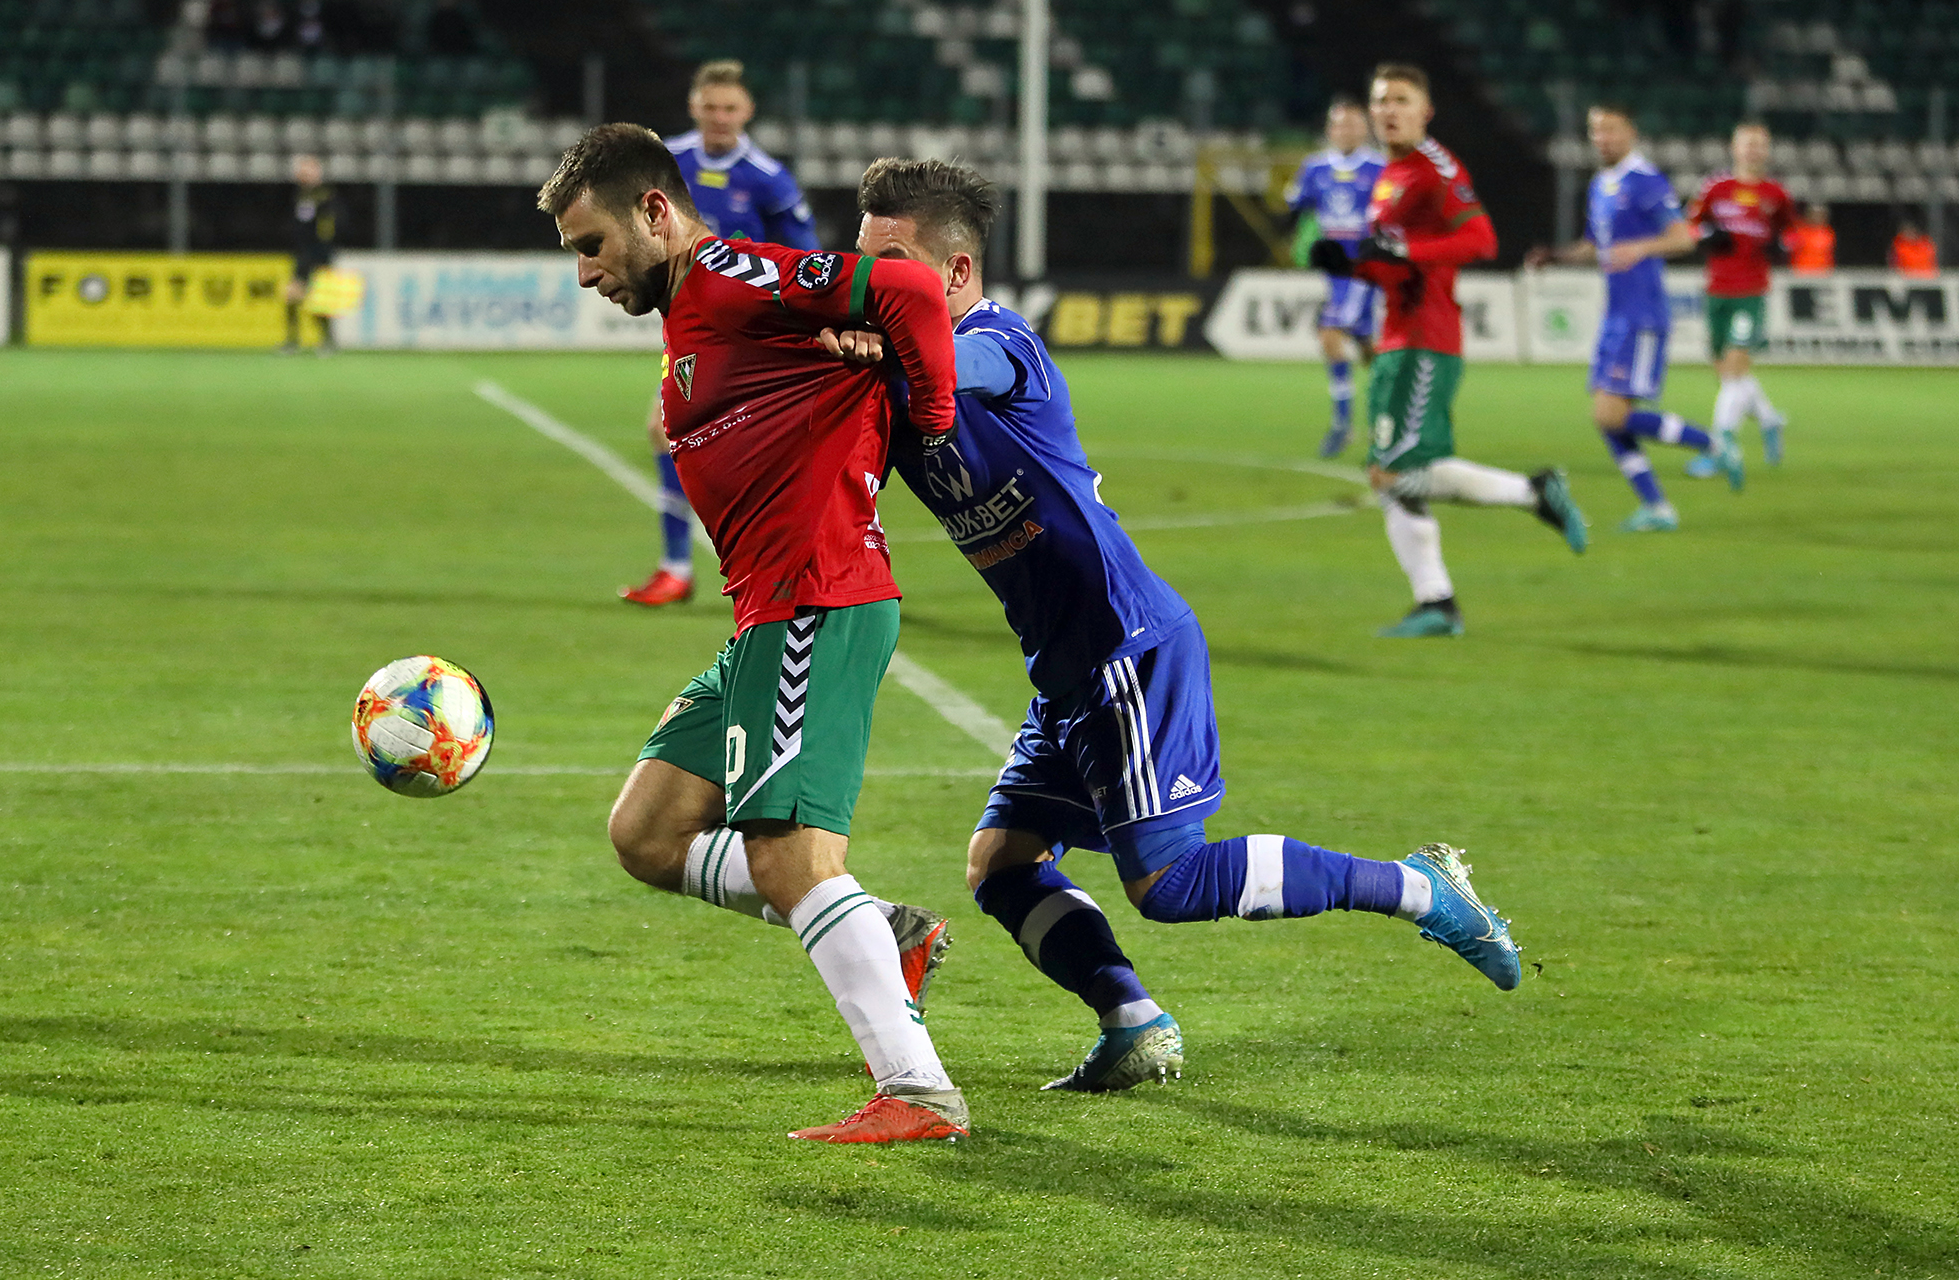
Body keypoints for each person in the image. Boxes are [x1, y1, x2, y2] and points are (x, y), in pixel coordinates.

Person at [808, 156, 1523, 1092]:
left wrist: (876, 349)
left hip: (1126, 644)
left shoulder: (1000, 343)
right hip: (1066, 663)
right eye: (863, 262)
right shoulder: (897, 373)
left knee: (1170, 884)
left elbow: (959, 367)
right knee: (1001, 862)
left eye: (893, 263)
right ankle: (1134, 1022)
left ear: (955, 271)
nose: (872, 282)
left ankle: (1420, 887)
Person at [541, 123, 970, 1144]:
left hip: (816, 598)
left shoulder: (730, 276)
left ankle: (917, 1092)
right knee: (647, 833)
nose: (586, 272)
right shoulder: (696, 313)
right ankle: (877, 929)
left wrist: (934, 415)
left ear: (655, 211)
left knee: (786, 856)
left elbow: (906, 291)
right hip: (763, 617)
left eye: (592, 244)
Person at [1310, 64, 1587, 638]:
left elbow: (1481, 239)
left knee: (1398, 474)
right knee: (1388, 474)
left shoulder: (1436, 168)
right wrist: (1352, 264)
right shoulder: (1390, 176)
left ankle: (1534, 492)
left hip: (1425, 340)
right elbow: (1392, 259)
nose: (1389, 110)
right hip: (1395, 337)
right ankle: (1436, 603)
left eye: (1401, 100)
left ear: (1425, 111)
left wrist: (1403, 250)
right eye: (1381, 100)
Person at [621, 60, 820, 608]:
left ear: (747, 111)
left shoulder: (768, 178)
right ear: (694, 107)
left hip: (747, 328)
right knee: (671, 432)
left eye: (729, 108)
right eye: (710, 107)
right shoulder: (668, 162)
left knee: (689, 436)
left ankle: (699, 567)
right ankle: (689, 568)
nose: (719, 117)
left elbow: (807, 258)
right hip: (690, 323)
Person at [1525, 103, 1732, 532]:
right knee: (1607, 419)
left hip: (1642, 313)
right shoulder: (1601, 184)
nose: (1603, 138)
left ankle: (1713, 444)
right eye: (1596, 130)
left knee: (1610, 415)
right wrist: (1557, 256)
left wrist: (1640, 248)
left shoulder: (1645, 180)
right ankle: (1657, 508)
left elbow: (1682, 238)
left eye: (1612, 129)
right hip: (1615, 315)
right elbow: (1594, 246)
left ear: (1631, 132)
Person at [1686, 122, 1794, 472]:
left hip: (1751, 290)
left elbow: (1792, 232)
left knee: (1734, 367)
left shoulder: (1776, 194)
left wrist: (1782, 246)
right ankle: (1769, 420)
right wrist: (1706, 234)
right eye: (1747, 144)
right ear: (1734, 148)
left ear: (1767, 150)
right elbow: (1689, 224)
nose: (1753, 150)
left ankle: (1720, 449)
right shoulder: (1715, 188)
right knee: (1726, 374)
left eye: (1759, 144)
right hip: (1717, 289)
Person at [1283, 97, 1385, 457]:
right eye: (1340, 125)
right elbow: (1296, 206)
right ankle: (1389, 411)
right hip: (1335, 273)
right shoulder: (1315, 167)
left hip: (1364, 270)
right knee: (1368, 348)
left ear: (1365, 130)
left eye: (1353, 125)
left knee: (1329, 335)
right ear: (1330, 130)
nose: (1346, 131)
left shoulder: (1378, 167)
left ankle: (1343, 425)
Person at [281, 154, 338, 355]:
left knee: (320, 300)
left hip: (319, 253)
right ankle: (292, 341)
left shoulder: (326, 195)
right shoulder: (299, 195)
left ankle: (327, 341)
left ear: (317, 173)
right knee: (291, 296)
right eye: (302, 170)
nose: (303, 174)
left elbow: (329, 226)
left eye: (308, 170)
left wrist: (324, 251)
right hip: (303, 253)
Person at [1785, 202, 1835, 272]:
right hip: (1800, 272)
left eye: (1821, 215)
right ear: (1808, 215)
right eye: (1814, 214)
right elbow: (1787, 246)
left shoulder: (1828, 232)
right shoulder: (1796, 230)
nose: (1817, 218)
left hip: (1822, 273)